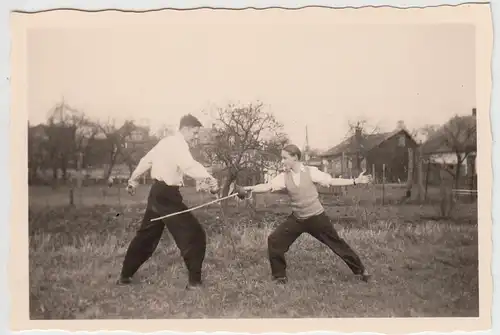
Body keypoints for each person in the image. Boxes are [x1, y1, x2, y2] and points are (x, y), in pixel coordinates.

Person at [243, 144, 372, 284]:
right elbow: (267, 186)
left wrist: (355, 181)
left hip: (316, 217)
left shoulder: (311, 172)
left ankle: (361, 271)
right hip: (298, 218)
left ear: (295, 158)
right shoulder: (283, 176)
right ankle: (279, 277)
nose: (282, 161)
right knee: (274, 240)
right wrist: (250, 189)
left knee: (336, 243)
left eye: (285, 158)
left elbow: (331, 181)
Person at [117, 114, 219, 290]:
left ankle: (125, 276)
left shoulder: (165, 142)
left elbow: (145, 161)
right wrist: (210, 178)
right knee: (194, 235)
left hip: (157, 193)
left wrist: (133, 180)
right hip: (167, 196)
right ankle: (195, 283)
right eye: (195, 133)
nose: (196, 137)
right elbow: (189, 166)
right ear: (185, 129)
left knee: (146, 237)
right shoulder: (179, 145)